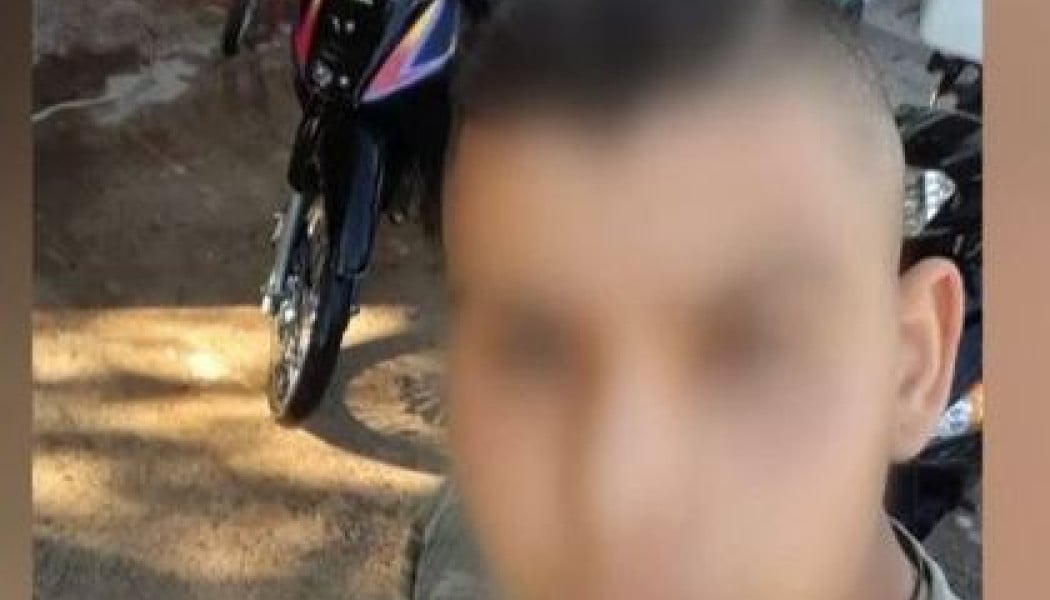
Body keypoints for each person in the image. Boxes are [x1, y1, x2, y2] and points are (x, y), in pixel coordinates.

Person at [408, 0, 965, 598]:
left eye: (750, 350)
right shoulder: (460, 548)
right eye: (532, 349)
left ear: (913, 368)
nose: (615, 497)